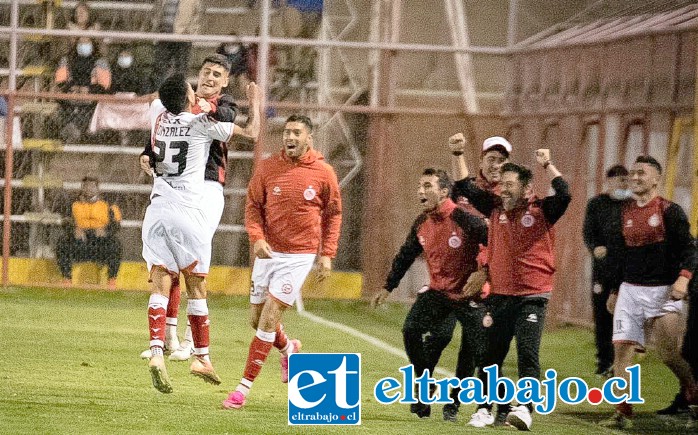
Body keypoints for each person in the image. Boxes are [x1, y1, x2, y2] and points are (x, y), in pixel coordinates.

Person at [143, 73, 260, 394]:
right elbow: (252, 132)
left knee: (160, 279)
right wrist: (256, 101)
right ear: (188, 96)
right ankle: (202, 357)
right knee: (197, 288)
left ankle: (156, 352)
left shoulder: (157, 111)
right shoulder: (200, 124)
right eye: (191, 88)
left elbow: (158, 101)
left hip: (156, 212)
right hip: (188, 213)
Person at [222, 114, 342, 409]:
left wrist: (327, 254)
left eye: (296, 132)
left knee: (269, 317)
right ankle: (290, 349)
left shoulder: (324, 173)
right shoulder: (267, 167)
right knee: (256, 319)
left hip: (299, 256)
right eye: (287, 132)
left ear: (309, 138)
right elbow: (252, 207)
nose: (289, 137)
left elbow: (334, 214)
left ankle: (242, 390)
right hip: (267, 253)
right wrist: (257, 238)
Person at [453, 145, 571, 431]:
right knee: (490, 356)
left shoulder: (543, 210)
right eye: (501, 184)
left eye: (509, 184)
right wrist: (458, 154)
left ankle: (526, 408)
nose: (503, 189)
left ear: (526, 187)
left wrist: (548, 164)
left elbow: (565, 193)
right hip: (500, 296)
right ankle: (484, 409)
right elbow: (463, 186)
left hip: (532, 296)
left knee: (527, 353)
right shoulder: (493, 208)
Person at [371, 168, 488, 420]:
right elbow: (405, 256)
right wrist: (387, 286)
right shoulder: (421, 223)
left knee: (478, 353)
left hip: (470, 296)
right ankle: (424, 386)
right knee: (411, 330)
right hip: (439, 292)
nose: (420, 191)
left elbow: (494, 241)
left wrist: (484, 272)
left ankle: (470, 407)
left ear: (444, 192)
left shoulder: (464, 219)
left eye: (427, 186)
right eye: (419, 186)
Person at [601, 155, 698, 429]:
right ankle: (623, 414)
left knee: (667, 353)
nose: (634, 177)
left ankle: (692, 388)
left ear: (656, 178)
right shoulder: (623, 213)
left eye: (641, 173)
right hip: (630, 291)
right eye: (633, 172)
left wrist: (683, 280)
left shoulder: (670, 211)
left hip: (664, 291)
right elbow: (618, 256)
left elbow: (690, 250)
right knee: (622, 352)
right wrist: (613, 289)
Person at [582, 164, 630, 378]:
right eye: (619, 179)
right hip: (603, 270)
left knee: (624, 316)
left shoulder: (632, 205)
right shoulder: (597, 204)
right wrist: (595, 248)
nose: (623, 183)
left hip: (627, 270)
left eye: (625, 180)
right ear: (609, 181)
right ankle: (604, 362)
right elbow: (588, 232)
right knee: (602, 316)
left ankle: (622, 363)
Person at [56, 177, 122, 289]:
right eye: (86, 186)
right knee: (62, 242)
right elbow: (65, 222)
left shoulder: (108, 205)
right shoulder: (73, 203)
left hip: (100, 243)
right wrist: (74, 230)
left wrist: (105, 231)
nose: (89, 189)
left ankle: (111, 281)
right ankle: (66, 280)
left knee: (116, 244)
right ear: (82, 188)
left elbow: (116, 225)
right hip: (80, 242)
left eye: (92, 186)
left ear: (97, 188)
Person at [54, 37, 111, 143]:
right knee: (63, 110)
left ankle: (82, 134)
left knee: (87, 111)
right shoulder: (67, 60)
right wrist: (72, 88)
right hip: (71, 96)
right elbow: (60, 81)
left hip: (92, 98)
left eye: (87, 43)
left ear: (93, 44)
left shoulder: (100, 61)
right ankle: (72, 133)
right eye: (81, 43)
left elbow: (105, 85)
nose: (83, 46)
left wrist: (89, 89)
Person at [151, 0, 204, 90]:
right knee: (160, 68)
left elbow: (198, 15)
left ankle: (178, 95)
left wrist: (190, 32)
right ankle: (158, 95)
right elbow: (156, 12)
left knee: (181, 70)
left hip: (182, 37)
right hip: (163, 35)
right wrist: (156, 28)